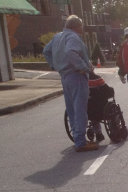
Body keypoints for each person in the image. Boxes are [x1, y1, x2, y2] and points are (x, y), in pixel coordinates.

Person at [43, 15, 99, 152]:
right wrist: (82, 67)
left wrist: (54, 65)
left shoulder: (58, 37)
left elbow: (46, 51)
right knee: (80, 109)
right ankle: (80, 142)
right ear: (78, 26)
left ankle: (77, 138)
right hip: (76, 75)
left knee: (72, 109)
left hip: (65, 76)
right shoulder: (73, 37)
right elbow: (71, 52)